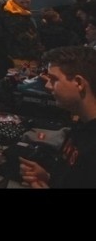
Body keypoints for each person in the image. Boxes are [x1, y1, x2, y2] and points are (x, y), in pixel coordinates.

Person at [20, 47, 96, 188]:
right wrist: (50, 178)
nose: (48, 85)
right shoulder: (82, 123)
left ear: (79, 83)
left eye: (54, 79)